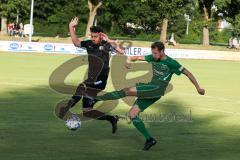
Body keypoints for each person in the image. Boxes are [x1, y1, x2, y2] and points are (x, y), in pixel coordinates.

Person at [95, 41, 205, 150]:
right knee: (133, 115)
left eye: (156, 53)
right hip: (152, 90)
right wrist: (128, 61)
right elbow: (135, 57)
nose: (153, 55)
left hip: (156, 89)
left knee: (126, 91)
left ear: (162, 51)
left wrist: (198, 88)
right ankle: (150, 139)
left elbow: (188, 73)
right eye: (152, 53)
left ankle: (97, 97)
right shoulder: (153, 57)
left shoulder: (172, 63)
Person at [59, 17, 124, 134]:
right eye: (91, 36)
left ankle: (66, 108)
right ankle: (112, 119)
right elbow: (76, 43)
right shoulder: (89, 44)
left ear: (101, 36)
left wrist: (108, 40)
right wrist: (71, 27)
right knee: (87, 112)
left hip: (100, 80)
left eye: (95, 36)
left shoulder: (106, 45)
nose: (93, 39)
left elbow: (121, 51)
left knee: (82, 88)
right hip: (91, 79)